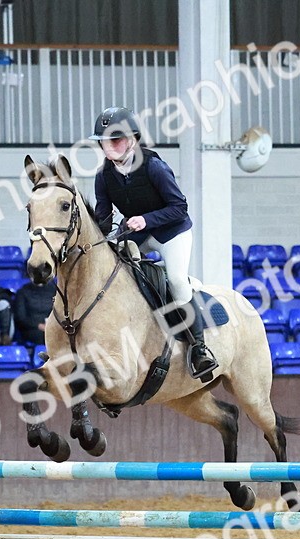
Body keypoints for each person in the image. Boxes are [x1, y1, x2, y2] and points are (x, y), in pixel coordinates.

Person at [89, 106, 218, 381]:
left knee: (177, 279)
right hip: (138, 234)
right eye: (104, 141)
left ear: (132, 139)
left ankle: (199, 349)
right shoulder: (103, 177)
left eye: (115, 140)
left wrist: (146, 220)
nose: (109, 147)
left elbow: (179, 207)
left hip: (172, 232)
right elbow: (102, 216)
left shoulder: (154, 167)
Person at [13, 278, 56, 346]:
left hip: (52, 326)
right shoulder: (23, 292)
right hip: (31, 329)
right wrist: (39, 326)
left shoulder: (54, 290)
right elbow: (21, 318)